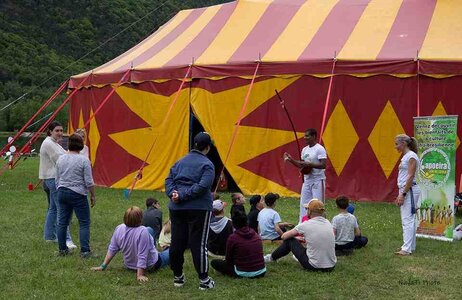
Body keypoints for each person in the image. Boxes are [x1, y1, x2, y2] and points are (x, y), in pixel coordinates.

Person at [165, 132, 215, 290]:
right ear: (207, 148)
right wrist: (183, 195)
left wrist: (173, 193)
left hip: (177, 208)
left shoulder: (179, 162)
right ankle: (204, 280)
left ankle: (178, 277)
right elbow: (203, 186)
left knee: (177, 243)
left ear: (194, 145)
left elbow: (168, 180)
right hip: (199, 208)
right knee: (198, 244)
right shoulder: (207, 164)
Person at [91, 206, 169, 282]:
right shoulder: (142, 231)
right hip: (151, 265)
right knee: (172, 251)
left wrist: (103, 266)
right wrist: (140, 275)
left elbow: (112, 248)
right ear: (140, 219)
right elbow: (142, 255)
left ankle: (154, 250)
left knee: (149, 229)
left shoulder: (119, 228)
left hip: (129, 265)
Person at [264, 199, 336, 272]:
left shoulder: (306, 224)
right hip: (331, 266)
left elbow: (284, 236)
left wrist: (295, 238)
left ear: (310, 211)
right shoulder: (328, 223)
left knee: (290, 240)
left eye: (307, 209)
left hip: (314, 266)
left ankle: (271, 258)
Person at [55, 133, 96, 256]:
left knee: (62, 222)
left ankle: (62, 249)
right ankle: (85, 251)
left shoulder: (61, 158)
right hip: (78, 193)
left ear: (68, 145)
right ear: (81, 145)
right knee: (84, 222)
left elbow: (57, 177)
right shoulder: (84, 160)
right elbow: (89, 181)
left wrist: (59, 189)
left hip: (62, 191)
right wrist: (93, 195)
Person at [39, 121, 76, 249]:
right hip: (53, 179)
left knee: (53, 209)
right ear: (50, 131)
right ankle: (66, 240)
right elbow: (61, 160)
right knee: (62, 210)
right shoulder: (49, 143)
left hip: (50, 178)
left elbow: (64, 155)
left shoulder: (54, 143)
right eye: (57, 131)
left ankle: (49, 236)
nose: (60, 133)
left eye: (61, 130)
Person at [283, 128, 327, 223]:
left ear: (314, 136)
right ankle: (302, 224)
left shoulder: (320, 149)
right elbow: (301, 165)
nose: (305, 137)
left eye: (307, 135)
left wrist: (310, 164)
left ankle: (319, 224)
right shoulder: (305, 150)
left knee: (317, 204)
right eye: (304, 135)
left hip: (318, 180)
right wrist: (291, 160)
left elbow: (323, 165)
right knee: (304, 203)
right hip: (307, 180)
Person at [211, 210, 266, 278]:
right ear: (247, 222)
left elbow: (229, 259)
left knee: (214, 262)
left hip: (242, 272)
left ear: (233, 224)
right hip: (261, 271)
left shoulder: (233, 238)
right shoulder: (255, 234)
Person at [394, 134, 420, 256]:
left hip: (409, 190)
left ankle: (406, 248)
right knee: (409, 219)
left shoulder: (411, 156)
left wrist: (403, 194)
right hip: (406, 189)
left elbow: (410, 176)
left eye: (396, 144)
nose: (396, 147)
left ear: (403, 143)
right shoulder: (407, 156)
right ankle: (410, 245)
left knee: (407, 219)